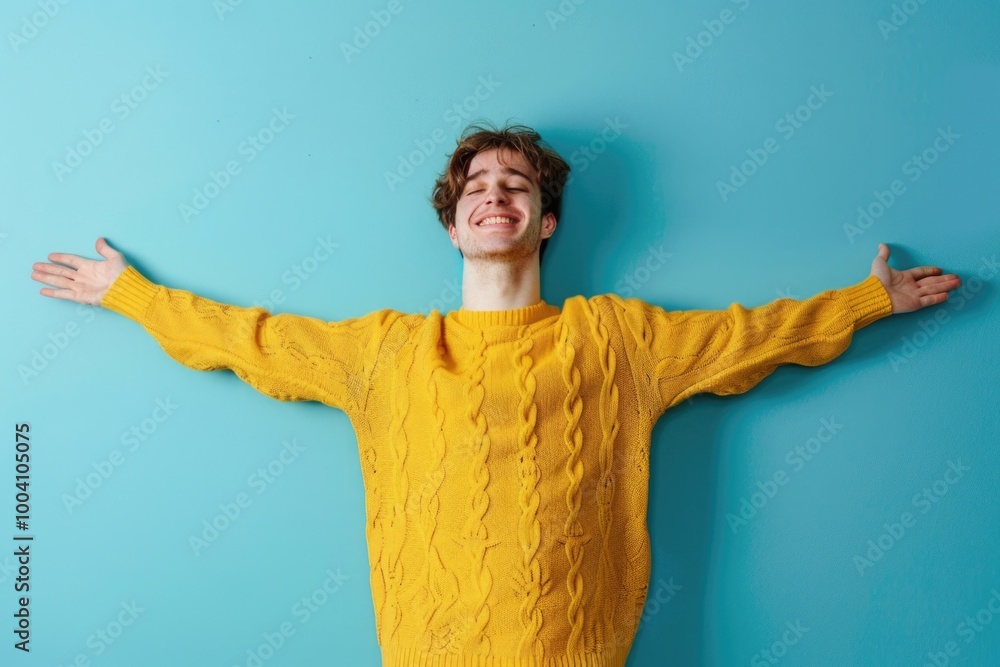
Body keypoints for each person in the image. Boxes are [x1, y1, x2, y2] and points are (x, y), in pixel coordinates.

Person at [30, 122, 961, 666]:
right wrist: (130, 294)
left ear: (544, 220)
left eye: (516, 184)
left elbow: (754, 335)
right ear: (453, 225)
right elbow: (251, 340)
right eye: (477, 185)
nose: (495, 194)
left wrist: (869, 301)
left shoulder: (618, 339)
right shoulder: (386, 351)